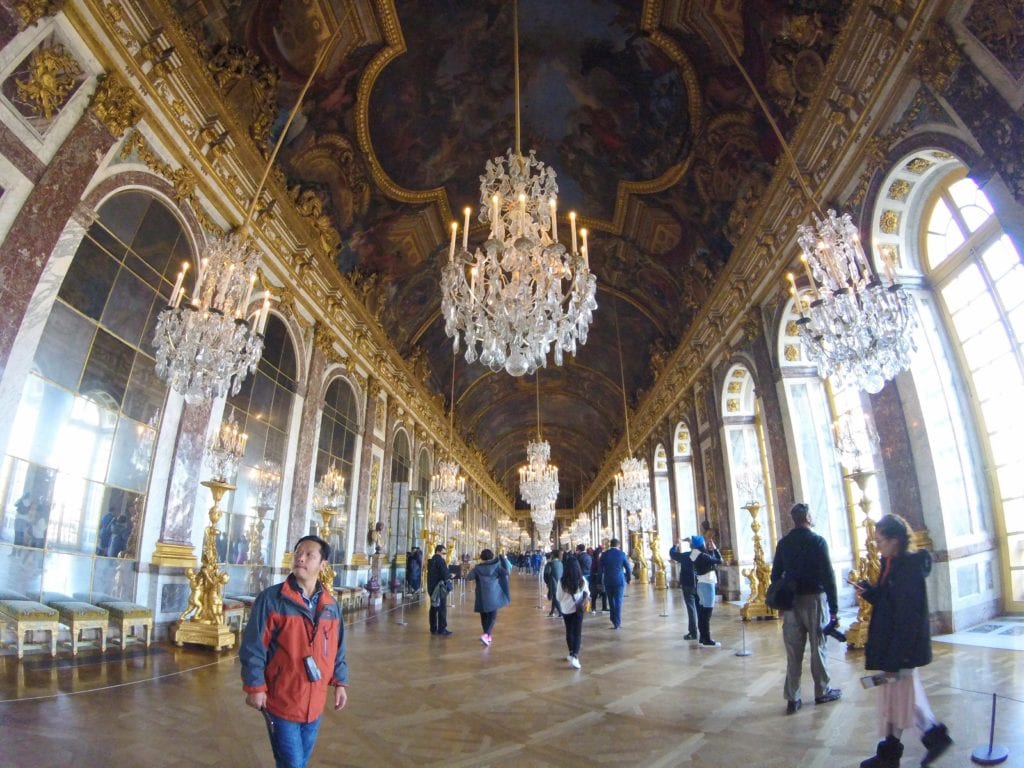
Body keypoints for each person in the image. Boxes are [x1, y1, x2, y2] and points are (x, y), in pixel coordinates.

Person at [240, 535, 348, 768]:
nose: (300, 558)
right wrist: (255, 687)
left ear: (323, 565)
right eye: (298, 552)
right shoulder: (272, 599)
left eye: (309, 554)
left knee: (298, 762)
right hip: (282, 699)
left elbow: (338, 648)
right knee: (293, 764)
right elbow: (253, 647)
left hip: (315, 702)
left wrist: (340, 682)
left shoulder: (330, 605)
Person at [855, 514, 952, 768]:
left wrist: (897, 659)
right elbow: (890, 603)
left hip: (903, 646)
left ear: (895, 540)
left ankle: (905, 750)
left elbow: (908, 616)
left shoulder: (907, 568)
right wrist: (871, 592)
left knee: (901, 699)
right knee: (901, 698)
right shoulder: (892, 562)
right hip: (896, 645)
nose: (877, 546)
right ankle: (901, 750)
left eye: (881, 541)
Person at [771, 502, 842, 714]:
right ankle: (822, 690)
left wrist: (782, 598)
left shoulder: (784, 543)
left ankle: (793, 697)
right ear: (808, 518)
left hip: (792, 602)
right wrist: (835, 608)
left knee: (793, 652)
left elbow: (775, 576)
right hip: (814, 600)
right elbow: (828, 575)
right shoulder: (817, 541)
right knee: (818, 647)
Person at [468, 548, 511, 646]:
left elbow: (469, 577)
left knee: (484, 615)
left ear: (481, 557)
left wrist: (473, 570)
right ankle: (486, 634)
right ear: (492, 557)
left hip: (481, 595)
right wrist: (503, 559)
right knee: (492, 616)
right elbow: (507, 572)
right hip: (493, 594)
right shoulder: (497, 566)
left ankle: (487, 635)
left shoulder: (477, 568)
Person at [555, 553, 589, 669]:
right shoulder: (582, 580)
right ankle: (575, 655)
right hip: (578, 609)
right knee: (577, 633)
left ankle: (571, 653)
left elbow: (558, 597)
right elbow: (587, 593)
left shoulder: (562, 581)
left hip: (566, 609)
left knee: (569, 631)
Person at [688, 535, 723, 647]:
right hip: (707, 586)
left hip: (701, 585)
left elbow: (709, 561)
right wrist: (716, 549)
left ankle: (702, 638)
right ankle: (707, 639)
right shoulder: (703, 556)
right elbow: (719, 561)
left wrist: (710, 550)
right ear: (701, 545)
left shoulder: (694, 554)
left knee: (702, 613)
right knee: (707, 614)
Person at [669, 538, 699, 641]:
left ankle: (693, 632)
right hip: (700, 584)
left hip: (688, 584)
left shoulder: (686, 556)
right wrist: (692, 543)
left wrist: (676, 544)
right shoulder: (701, 555)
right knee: (700, 610)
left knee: (691, 609)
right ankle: (703, 632)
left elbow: (672, 554)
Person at [599, 538, 631, 629]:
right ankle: (617, 622)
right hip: (619, 580)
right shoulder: (622, 554)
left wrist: (599, 581)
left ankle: (613, 619)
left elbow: (600, 569)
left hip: (608, 580)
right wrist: (628, 578)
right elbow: (628, 567)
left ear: (610, 544)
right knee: (618, 601)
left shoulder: (604, 554)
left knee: (611, 601)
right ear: (618, 545)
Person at [427, 543, 452, 636]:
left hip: (431, 587)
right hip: (440, 588)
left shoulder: (431, 560)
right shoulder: (440, 561)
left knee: (433, 607)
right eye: (444, 553)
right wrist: (450, 576)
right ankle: (442, 629)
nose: (445, 555)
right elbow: (445, 574)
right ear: (438, 551)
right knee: (442, 608)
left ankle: (433, 628)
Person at [544, 550, 563, 617]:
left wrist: (547, 582)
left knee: (555, 597)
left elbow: (546, 574)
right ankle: (552, 612)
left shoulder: (550, 564)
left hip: (552, 582)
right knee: (554, 597)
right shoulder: (560, 563)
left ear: (552, 555)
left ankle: (561, 613)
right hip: (560, 582)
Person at [590, 545, 607, 613]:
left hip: (594, 578)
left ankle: (593, 608)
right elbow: (600, 570)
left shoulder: (593, 560)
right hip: (599, 578)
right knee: (604, 593)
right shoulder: (599, 562)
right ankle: (604, 607)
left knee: (594, 594)